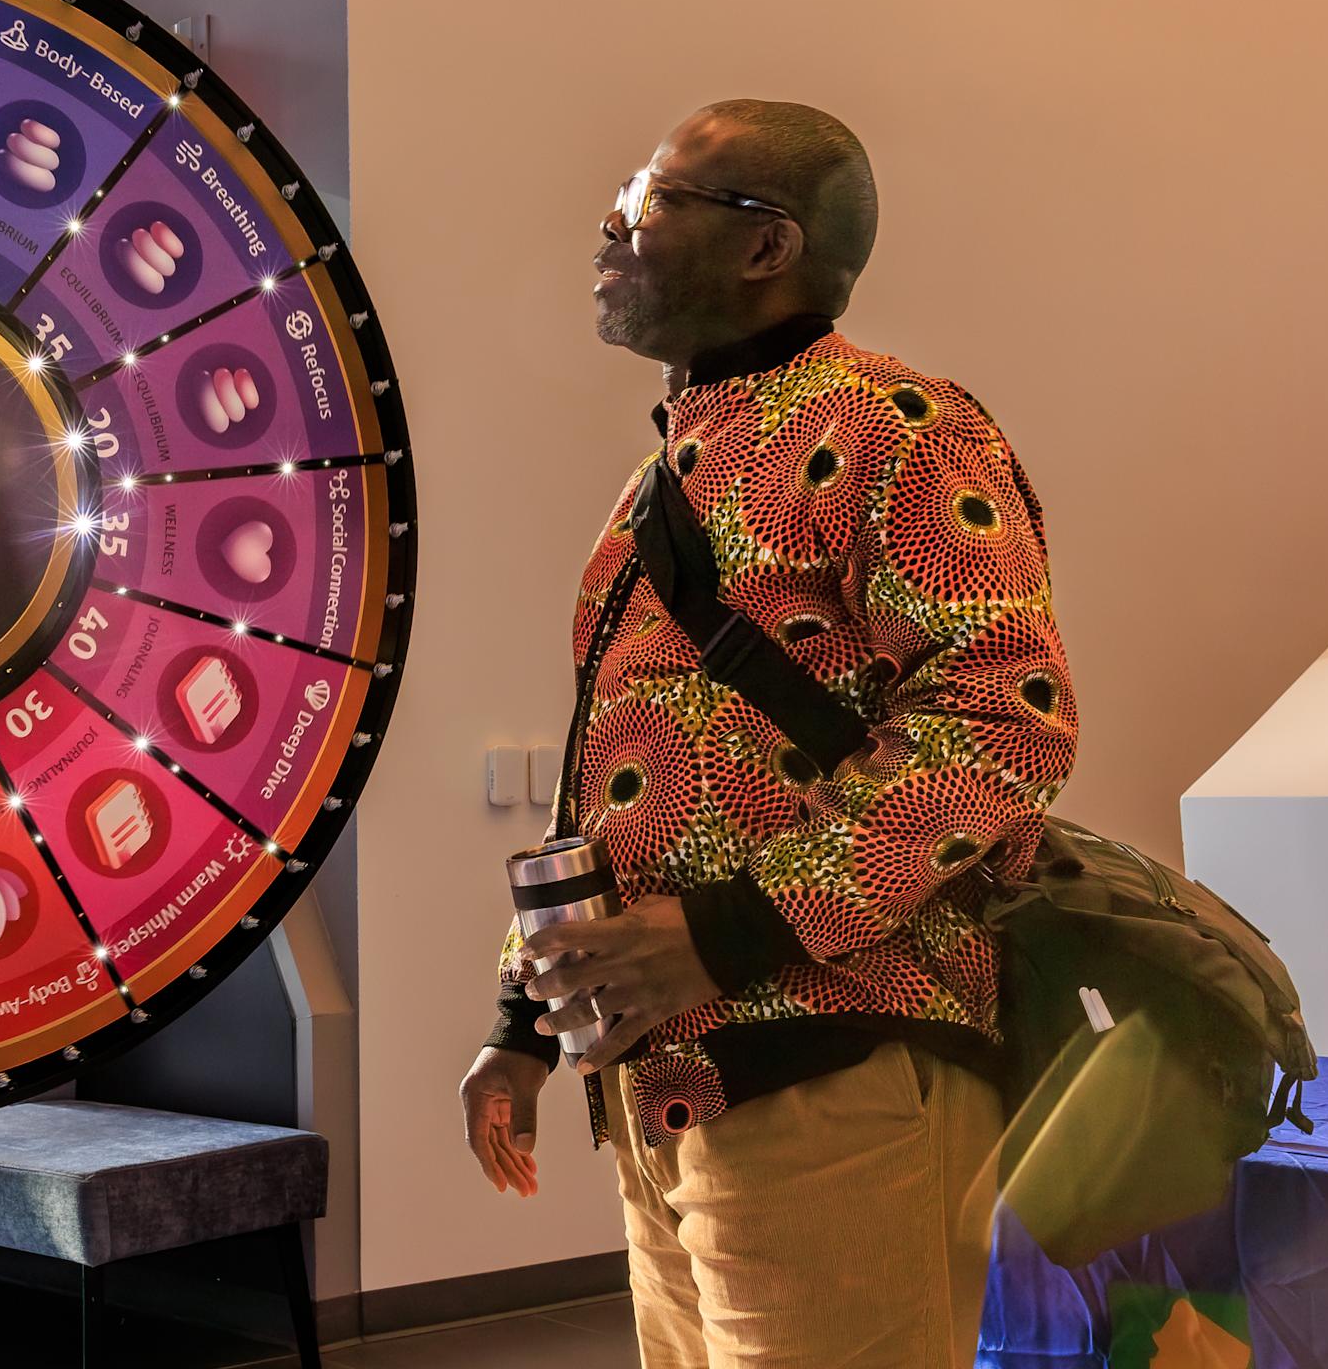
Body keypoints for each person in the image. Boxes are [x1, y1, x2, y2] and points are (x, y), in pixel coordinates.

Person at [458, 100, 1077, 1367]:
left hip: (835, 1065)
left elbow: (1005, 720)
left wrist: (731, 931)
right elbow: (614, 781)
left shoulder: (899, 426)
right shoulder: (659, 483)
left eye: (649, 196)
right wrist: (523, 1021)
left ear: (766, 247)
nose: (609, 219)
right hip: (659, 1083)